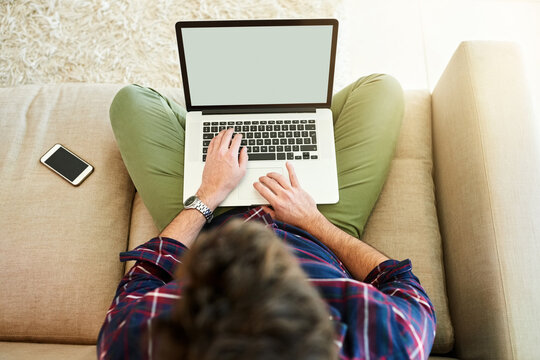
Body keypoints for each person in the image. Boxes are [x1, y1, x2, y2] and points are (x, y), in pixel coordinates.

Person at [97, 74, 436, 359]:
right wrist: (314, 222)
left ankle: (220, 129)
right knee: (381, 88)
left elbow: (147, 274)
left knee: (132, 101)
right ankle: (280, 121)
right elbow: (400, 282)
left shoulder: (137, 342)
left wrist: (209, 194)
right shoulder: (387, 342)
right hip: (316, 230)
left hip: (208, 223)